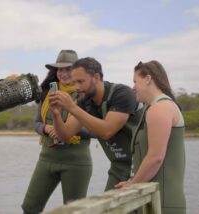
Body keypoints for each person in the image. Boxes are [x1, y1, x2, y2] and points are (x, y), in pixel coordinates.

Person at [49, 57, 141, 191]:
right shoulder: (84, 100)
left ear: (96, 77)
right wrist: (56, 114)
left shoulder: (122, 93)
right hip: (119, 167)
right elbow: (65, 135)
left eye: (80, 81)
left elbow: (107, 131)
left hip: (142, 165)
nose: (76, 87)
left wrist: (72, 107)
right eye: (74, 83)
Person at [21, 50, 93, 214]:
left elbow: (93, 129)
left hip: (76, 162)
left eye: (68, 69)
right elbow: (36, 123)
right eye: (60, 69)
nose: (64, 73)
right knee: (29, 208)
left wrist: (65, 130)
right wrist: (46, 129)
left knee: (74, 211)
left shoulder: (85, 95)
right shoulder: (47, 92)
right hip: (47, 158)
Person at [115, 61, 186, 214]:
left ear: (148, 79)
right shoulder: (154, 107)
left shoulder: (160, 108)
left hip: (163, 203)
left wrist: (132, 184)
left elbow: (156, 157)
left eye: (135, 81)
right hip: (152, 201)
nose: (133, 87)